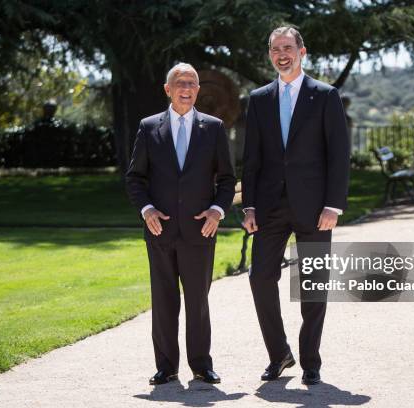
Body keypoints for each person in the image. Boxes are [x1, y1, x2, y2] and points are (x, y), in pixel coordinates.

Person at [242, 27, 350, 385]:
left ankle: (310, 361)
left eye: (288, 47)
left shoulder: (325, 95)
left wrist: (333, 205)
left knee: (314, 285)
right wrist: (250, 207)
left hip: (316, 207)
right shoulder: (258, 99)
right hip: (270, 207)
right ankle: (279, 354)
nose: (281, 54)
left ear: (302, 52)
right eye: (275, 49)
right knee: (260, 278)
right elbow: (252, 158)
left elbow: (339, 156)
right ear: (270, 54)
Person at [125, 62, 236, 385]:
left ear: (198, 90)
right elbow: (135, 178)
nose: (186, 88)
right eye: (180, 83)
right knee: (163, 301)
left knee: (198, 301)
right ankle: (166, 366)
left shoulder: (214, 128)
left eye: (191, 83)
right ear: (168, 89)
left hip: (201, 231)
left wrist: (217, 210)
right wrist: (147, 210)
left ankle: (201, 365)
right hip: (159, 231)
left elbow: (227, 179)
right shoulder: (148, 127)